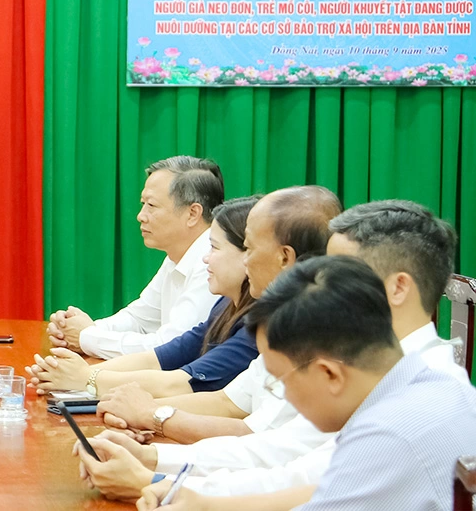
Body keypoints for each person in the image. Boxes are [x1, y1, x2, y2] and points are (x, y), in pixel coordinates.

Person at [130, 199, 471, 507]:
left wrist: (160, 477)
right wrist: (171, 479)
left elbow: (298, 472)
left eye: (342, 274)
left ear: (398, 287)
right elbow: (309, 479)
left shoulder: (400, 407)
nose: (324, 284)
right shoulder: (401, 373)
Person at [72, 186, 341, 501]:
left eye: (249, 248)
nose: (141, 215)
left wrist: (153, 451)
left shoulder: (320, 337)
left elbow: (266, 449)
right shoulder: (268, 316)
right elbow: (233, 406)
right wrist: (151, 451)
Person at [27, 197, 260, 399]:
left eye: (214, 248)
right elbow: (160, 357)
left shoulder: (259, 325)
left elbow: (182, 381)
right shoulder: (225, 305)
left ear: (250, 254)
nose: (205, 258)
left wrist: (87, 378)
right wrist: (77, 373)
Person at [48, 156, 223, 359]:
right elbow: (139, 319)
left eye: (151, 205)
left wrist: (86, 337)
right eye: (143, 204)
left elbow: (169, 347)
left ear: (192, 213)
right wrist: (78, 330)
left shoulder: (211, 263)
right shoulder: (176, 256)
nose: (141, 215)